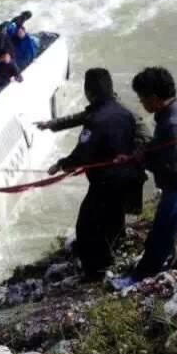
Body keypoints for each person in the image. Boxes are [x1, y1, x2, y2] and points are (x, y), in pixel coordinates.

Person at [47, 68, 142, 281]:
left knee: (87, 226)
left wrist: (61, 165)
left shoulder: (96, 119)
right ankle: (114, 250)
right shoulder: (125, 113)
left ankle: (95, 272)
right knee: (113, 217)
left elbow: (82, 152)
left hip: (105, 181)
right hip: (127, 177)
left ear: (90, 91)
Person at [111, 67, 177, 288]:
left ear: (154, 98)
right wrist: (140, 153)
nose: (141, 103)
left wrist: (140, 160)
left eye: (142, 98)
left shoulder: (172, 124)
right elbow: (163, 147)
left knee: (160, 236)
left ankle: (138, 277)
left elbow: (170, 165)